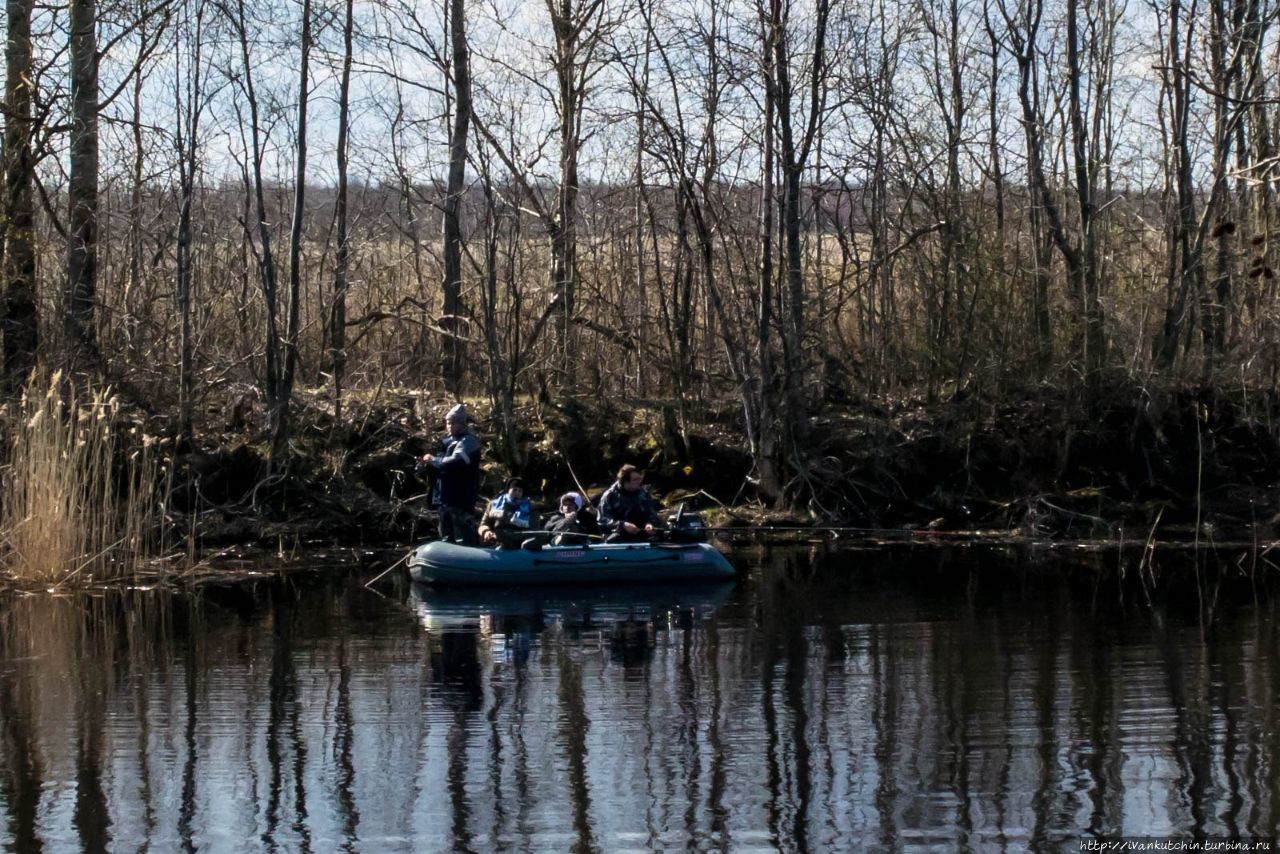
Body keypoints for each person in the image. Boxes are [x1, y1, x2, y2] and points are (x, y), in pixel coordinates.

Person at [421, 404, 482, 545]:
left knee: (463, 531)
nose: (450, 426)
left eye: (453, 423)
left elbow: (453, 462)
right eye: (448, 423)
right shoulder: (446, 442)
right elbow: (440, 466)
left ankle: (471, 553)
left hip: (460, 496)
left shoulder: (468, 441)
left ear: (462, 423)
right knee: (446, 532)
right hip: (444, 496)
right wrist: (427, 464)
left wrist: (433, 460)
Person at [597, 464, 662, 542]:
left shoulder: (643, 493)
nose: (639, 482)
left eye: (639, 479)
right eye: (635, 480)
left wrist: (649, 523)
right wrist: (622, 525)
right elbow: (602, 520)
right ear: (625, 481)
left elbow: (651, 513)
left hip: (641, 533)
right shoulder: (610, 496)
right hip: (617, 535)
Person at [478, 477, 534, 548]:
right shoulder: (493, 505)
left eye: (520, 491)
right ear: (508, 490)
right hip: (495, 541)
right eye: (514, 490)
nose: (517, 493)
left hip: (518, 545)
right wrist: (486, 532)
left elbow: (532, 531)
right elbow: (483, 524)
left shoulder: (529, 508)